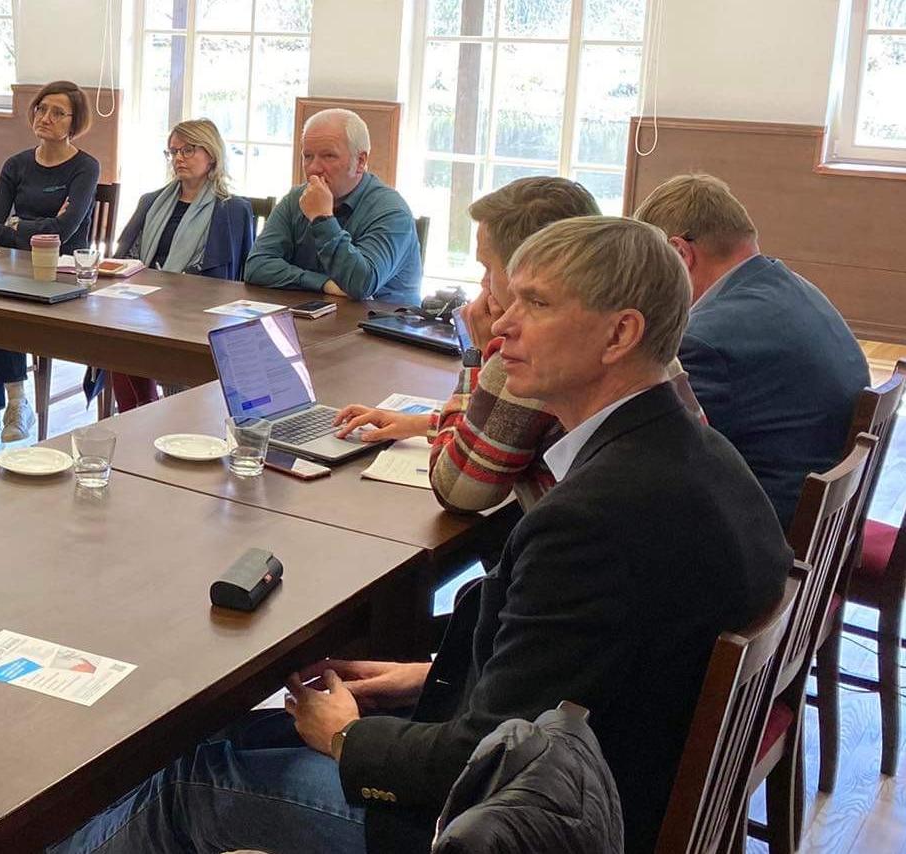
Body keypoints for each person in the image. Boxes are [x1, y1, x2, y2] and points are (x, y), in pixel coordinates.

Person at [52, 218, 789, 854]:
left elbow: (479, 764)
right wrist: (422, 679)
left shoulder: (591, 519)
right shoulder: (695, 450)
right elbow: (582, 667)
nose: (499, 326)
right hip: (611, 768)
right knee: (234, 735)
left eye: (533, 304)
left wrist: (346, 737)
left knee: (198, 775)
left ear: (619, 333)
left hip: (542, 826)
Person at [329, 178, 607, 512]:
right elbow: (521, 429)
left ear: (526, 268)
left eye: (488, 268)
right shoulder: (612, 325)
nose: (483, 283)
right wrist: (425, 424)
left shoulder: (538, 349)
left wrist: (479, 359)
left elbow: (457, 490)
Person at [633, 173, 869, 528]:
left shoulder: (705, 341)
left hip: (763, 537)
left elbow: (651, 459)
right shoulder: (793, 285)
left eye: (647, 267)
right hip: (820, 519)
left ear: (680, 253)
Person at [0, 80, 101, 461]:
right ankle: (5, 408)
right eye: (42, 109)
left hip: (62, 275)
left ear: (74, 121)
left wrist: (17, 226)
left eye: (58, 113)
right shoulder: (17, 164)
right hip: (11, 267)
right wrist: (37, 227)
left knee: (2, 306)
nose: (46, 118)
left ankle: (3, 413)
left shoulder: (85, 167)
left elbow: (66, 231)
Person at [101, 118, 257, 413]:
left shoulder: (232, 209)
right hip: (143, 304)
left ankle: (166, 413)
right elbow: (128, 257)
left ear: (211, 155)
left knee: (141, 339)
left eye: (188, 150)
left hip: (197, 310)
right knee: (115, 337)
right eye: (173, 152)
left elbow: (235, 276)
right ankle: (138, 414)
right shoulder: (152, 201)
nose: (178, 158)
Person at [244, 108, 422, 305]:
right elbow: (256, 266)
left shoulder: (392, 211)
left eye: (328, 156)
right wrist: (324, 283)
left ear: (361, 161)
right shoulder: (296, 199)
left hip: (382, 327)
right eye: (308, 156)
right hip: (315, 323)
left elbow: (361, 284)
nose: (313, 168)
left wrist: (322, 218)